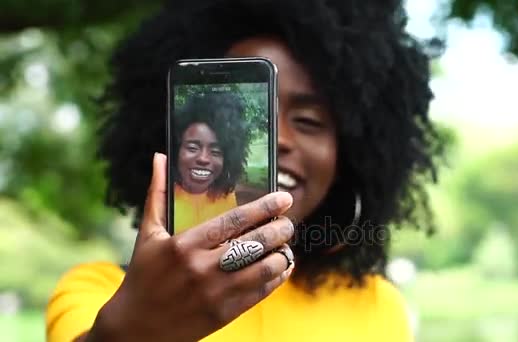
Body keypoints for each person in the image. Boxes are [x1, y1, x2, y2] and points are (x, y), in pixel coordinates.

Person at [45, 0, 444, 341]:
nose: (279, 138)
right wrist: (129, 331)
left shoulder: (379, 305)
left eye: (307, 120)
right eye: (238, 114)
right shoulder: (98, 292)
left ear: (350, 159)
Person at [172, 92, 250, 233]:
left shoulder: (227, 196)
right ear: (176, 149)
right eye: (192, 148)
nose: (203, 158)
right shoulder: (163, 199)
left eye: (216, 152)